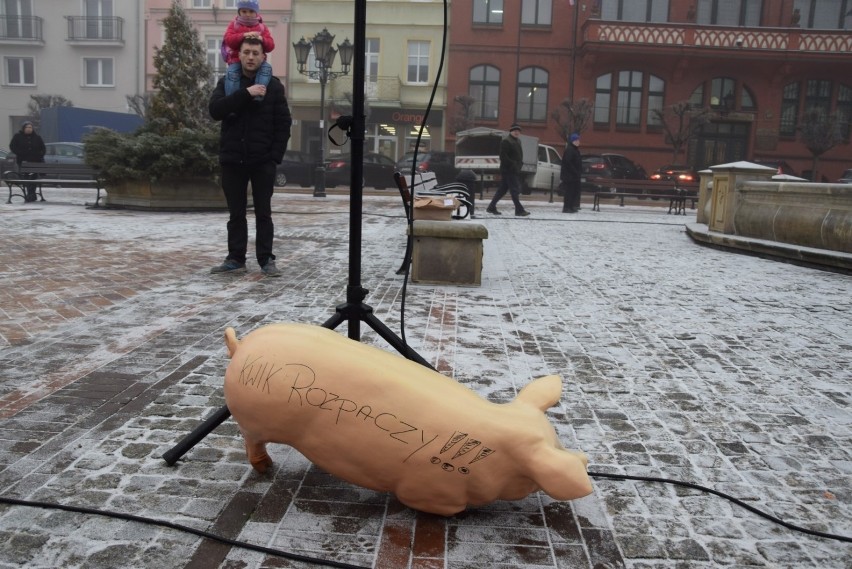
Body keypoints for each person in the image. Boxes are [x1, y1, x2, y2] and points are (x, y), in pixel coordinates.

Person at [209, 36, 292, 277]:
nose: (251, 57)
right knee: (236, 213)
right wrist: (246, 93)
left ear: (263, 57)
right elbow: (215, 110)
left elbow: (283, 123)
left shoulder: (274, 86)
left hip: (262, 161)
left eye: (256, 53)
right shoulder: (227, 82)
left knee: (263, 213)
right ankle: (236, 258)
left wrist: (274, 156)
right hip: (233, 159)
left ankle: (266, 259)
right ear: (240, 55)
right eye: (246, 52)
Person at [221, 0, 274, 100]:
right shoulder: (234, 25)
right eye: (244, 11)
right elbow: (229, 40)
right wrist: (243, 35)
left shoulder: (262, 27)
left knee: (267, 69)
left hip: (259, 62)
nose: (247, 15)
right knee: (232, 74)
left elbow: (271, 45)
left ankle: (258, 96)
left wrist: (262, 39)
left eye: (251, 11)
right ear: (239, 12)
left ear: (256, 12)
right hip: (237, 60)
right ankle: (232, 99)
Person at [486, 124, 530, 216]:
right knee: (514, 190)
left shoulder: (518, 141)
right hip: (509, 170)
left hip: (514, 169)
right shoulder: (506, 141)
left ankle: (491, 207)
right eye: (515, 131)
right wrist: (513, 164)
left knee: (502, 190)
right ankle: (519, 210)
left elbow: (518, 155)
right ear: (511, 131)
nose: (517, 132)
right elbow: (503, 156)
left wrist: (519, 164)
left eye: (518, 131)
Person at [9, 121, 46, 203]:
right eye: (27, 127)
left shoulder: (37, 137)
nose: (29, 129)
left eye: (30, 127)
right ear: (23, 128)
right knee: (26, 178)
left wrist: (40, 155)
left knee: (33, 178)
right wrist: (19, 153)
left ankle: (32, 195)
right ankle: (30, 194)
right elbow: (12, 146)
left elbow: (43, 148)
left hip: (35, 162)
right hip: (23, 161)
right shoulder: (18, 136)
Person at [560, 133, 582, 213]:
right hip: (569, 176)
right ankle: (567, 207)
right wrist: (575, 171)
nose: (578, 141)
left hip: (574, 176)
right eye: (576, 140)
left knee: (573, 192)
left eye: (578, 140)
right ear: (572, 141)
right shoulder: (570, 150)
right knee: (569, 192)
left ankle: (571, 206)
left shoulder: (575, 150)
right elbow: (568, 162)